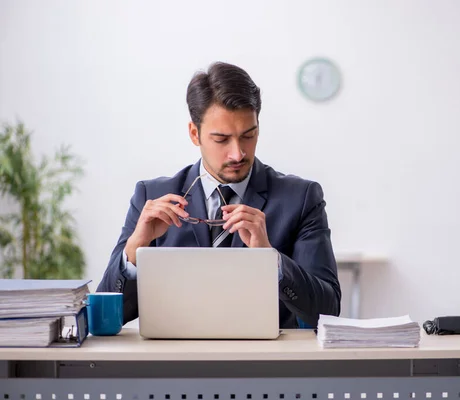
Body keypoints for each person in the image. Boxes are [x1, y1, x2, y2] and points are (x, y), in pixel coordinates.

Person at [97, 61, 341, 328]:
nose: (238, 153)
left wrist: (271, 260)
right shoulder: (151, 196)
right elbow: (106, 317)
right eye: (222, 139)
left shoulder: (301, 198)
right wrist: (134, 250)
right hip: (175, 364)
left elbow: (327, 310)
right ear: (194, 133)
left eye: (249, 135)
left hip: (267, 364)